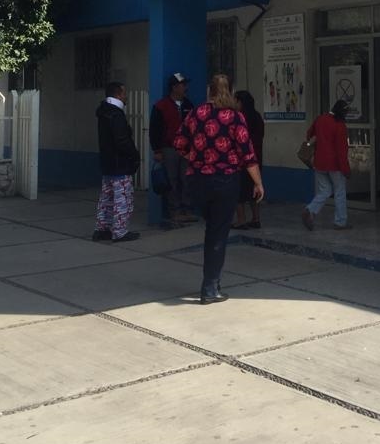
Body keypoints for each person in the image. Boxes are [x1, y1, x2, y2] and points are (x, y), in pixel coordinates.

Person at [174, 73, 265, 304]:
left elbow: (179, 143)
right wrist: (258, 182)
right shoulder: (235, 117)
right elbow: (247, 153)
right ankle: (210, 288)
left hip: (197, 181)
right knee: (217, 233)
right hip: (225, 180)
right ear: (231, 91)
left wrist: (195, 158)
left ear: (209, 91)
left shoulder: (195, 113)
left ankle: (213, 281)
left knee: (211, 229)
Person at [93, 81, 141, 243]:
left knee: (106, 199)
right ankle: (120, 232)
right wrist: (134, 155)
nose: (126, 96)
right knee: (122, 199)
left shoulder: (103, 112)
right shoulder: (116, 114)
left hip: (107, 163)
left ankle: (102, 229)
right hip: (120, 164)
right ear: (119, 94)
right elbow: (122, 141)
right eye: (124, 93)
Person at [149, 72, 197, 224]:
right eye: (183, 85)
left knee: (186, 179)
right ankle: (174, 211)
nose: (186, 88)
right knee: (172, 179)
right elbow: (154, 130)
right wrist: (157, 150)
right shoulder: (161, 106)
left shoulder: (188, 105)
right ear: (174, 87)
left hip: (186, 148)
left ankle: (187, 209)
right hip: (169, 148)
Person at [301, 99, 352, 231]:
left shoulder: (320, 119)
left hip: (319, 162)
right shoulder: (339, 125)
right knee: (339, 192)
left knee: (325, 190)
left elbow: (309, 133)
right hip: (335, 165)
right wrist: (346, 170)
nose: (346, 115)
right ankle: (340, 222)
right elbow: (341, 151)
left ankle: (310, 210)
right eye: (345, 113)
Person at [232, 90, 264, 230]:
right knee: (254, 189)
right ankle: (256, 218)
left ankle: (241, 219)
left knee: (238, 191)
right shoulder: (257, 117)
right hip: (256, 158)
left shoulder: (239, 118)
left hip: (241, 160)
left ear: (240, 102)